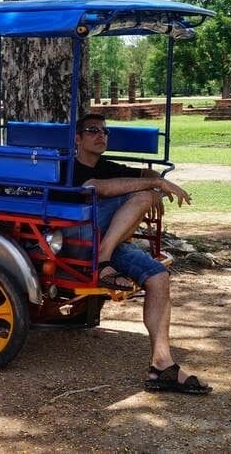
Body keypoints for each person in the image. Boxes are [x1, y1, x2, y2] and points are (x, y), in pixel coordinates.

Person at [65, 113, 211, 394]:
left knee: (159, 277)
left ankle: (161, 365)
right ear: (78, 138)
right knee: (144, 195)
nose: (101, 136)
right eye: (92, 130)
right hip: (72, 240)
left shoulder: (107, 166)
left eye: (104, 132)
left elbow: (142, 176)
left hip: (109, 242)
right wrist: (154, 188)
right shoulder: (70, 167)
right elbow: (98, 187)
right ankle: (102, 261)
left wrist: (155, 180)